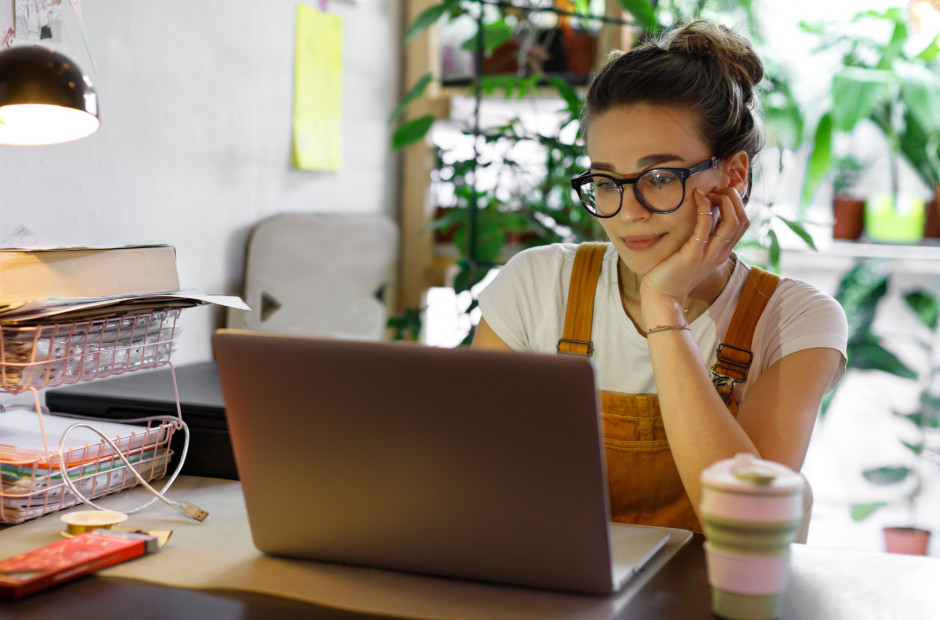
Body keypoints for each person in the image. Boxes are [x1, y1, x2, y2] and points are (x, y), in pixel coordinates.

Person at [471, 20, 848, 534]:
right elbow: (472, 480)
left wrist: (663, 306)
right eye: (606, 182)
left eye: (660, 178)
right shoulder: (537, 283)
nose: (627, 211)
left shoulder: (795, 321)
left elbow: (750, 523)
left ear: (733, 175)